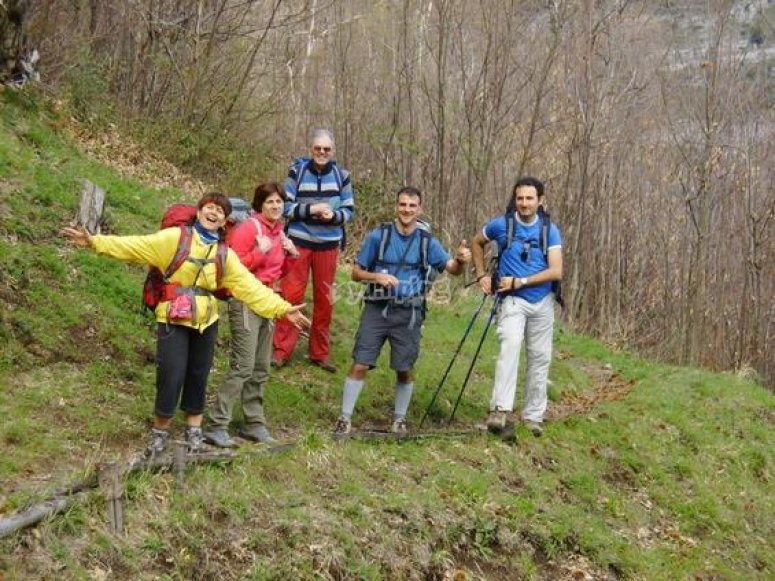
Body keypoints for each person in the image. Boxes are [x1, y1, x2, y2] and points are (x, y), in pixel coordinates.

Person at [61, 193, 310, 457]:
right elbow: (135, 246)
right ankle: (160, 433)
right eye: (209, 208)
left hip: (206, 321)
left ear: (225, 221)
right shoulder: (174, 239)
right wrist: (94, 242)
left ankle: (194, 432)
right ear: (199, 212)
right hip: (173, 317)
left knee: (198, 376)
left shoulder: (224, 255)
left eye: (220, 212)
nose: (214, 213)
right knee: (171, 374)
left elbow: (251, 288)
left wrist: (283, 310)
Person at [333, 186, 471, 435]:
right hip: (376, 308)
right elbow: (356, 273)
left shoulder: (427, 241)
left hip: (409, 312)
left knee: (404, 368)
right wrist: (376, 277)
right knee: (360, 363)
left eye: (412, 205)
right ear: (396, 206)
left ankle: (399, 420)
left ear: (420, 209)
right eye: (402, 204)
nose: (406, 210)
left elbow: (452, 269)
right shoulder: (379, 236)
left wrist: (461, 260)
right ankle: (344, 418)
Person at [204, 183, 298, 448]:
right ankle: (216, 424)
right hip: (245, 300)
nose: (275, 206)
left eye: (279, 202)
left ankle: (253, 423)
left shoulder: (279, 231)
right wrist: (259, 252)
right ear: (260, 205)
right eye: (270, 202)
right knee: (243, 365)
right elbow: (230, 266)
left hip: (268, 301)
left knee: (261, 367)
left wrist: (291, 255)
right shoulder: (249, 228)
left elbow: (276, 271)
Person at [470, 176, 562, 437]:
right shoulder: (501, 225)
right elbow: (477, 242)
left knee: (540, 357)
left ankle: (533, 416)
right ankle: (500, 410)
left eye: (529, 198)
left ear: (540, 201)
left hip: (542, 300)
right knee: (509, 347)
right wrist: (481, 275)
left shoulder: (549, 230)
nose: (524, 203)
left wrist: (520, 281)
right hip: (511, 300)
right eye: (520, 198)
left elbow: (556, 271)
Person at [271, 128, 355, 373]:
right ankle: (281, 350)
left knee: (325, 300)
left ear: (333, 151)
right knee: (290, 296)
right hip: (298, 243)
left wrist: (333, 216)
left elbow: (349, 210)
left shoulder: (342, 176)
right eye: (317, 148)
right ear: (311, 149)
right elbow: (285, 207)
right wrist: (313, 210)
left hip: (328, 246)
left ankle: (319, 353)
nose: (322, 152)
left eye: (326, 149)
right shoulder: (297, 172)